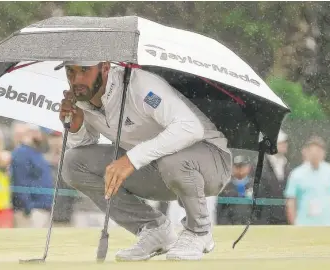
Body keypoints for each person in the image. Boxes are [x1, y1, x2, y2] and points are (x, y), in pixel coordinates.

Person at [58, 61, 232, 261]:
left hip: (212, 161)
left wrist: (131, 159)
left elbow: (191, 128)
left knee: (172, 161)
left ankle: (199, 231)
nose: (76, 79)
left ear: (105, 68)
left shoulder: (140, 85)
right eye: (70, 71)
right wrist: (75, 127)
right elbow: (85, 145)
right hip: (159, 169)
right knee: (73, 163)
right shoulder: (81, 99)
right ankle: (154, 229)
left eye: (84, 70)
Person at [284, 136, 330, 226]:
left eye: (318, 151)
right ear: (306, 152)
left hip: (329, 224)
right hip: (304, 224)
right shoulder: (296, 174)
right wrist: (293, 223)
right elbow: (291, 201)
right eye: (312, 151)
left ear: (324, 153)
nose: (315, 154)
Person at [11, 124, 54, 228]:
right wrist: (28, 208)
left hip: (42, 208)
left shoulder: (36, 152)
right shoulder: (22, 152)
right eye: (40, 133)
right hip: (32, 211)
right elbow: (20, 182)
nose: (43, 136)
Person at [256, 130, 291, 225]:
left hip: (285, 220)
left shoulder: (287, 166)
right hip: (266, 221)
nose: (285, 145)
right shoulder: (261, 166)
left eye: (285, 142)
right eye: (281, 143)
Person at [217, 155, 254, 225]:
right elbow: (221, 212)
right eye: (237, 167)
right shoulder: (226, 187)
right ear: (232, 168)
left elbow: (261, 210)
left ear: (249, 168)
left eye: (243, 166)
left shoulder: (255, 185)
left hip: (251, 226)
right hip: (231, 226)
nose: (240, 170)